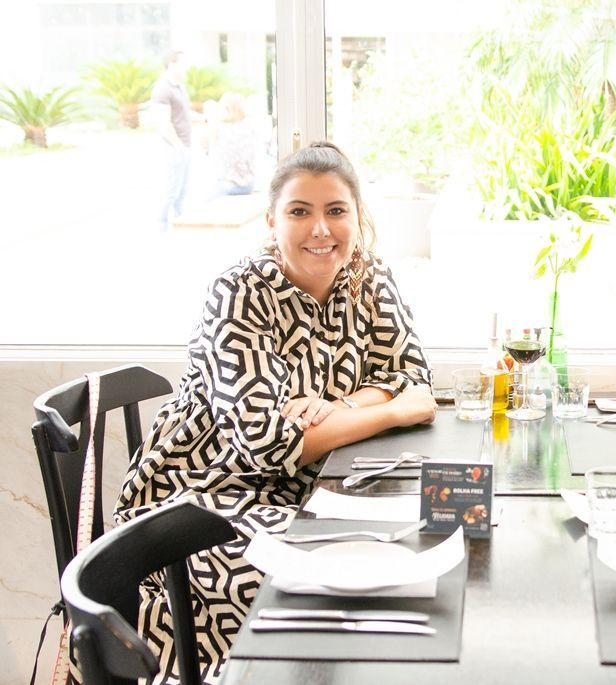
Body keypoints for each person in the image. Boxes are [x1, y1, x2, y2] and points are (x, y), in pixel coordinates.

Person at [114, 141, 437, 683]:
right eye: (299, 211)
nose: (320, 229)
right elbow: (269, 446)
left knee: (402, 548)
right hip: (204, 494)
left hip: (307, 486)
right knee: (333, 577)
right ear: (271, 220)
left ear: (358, 217)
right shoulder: (239, 292)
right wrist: (390, 413)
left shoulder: (369, 277)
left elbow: (413, 378)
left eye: (336, 211)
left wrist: (341, 406)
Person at [152, 50, 192, 231]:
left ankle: (179, 225)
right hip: (173, 147)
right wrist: (178, 146)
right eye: (183, 63)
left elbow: (184, 114)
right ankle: (161, 227)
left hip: (184, 145)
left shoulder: (179, 87)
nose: (186, 67)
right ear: (172, 64)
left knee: (182, 191)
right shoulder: (163, 88)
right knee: (171, 191)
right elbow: (164, 123)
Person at [208, 91, 257, 196]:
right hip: (249, 185)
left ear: (225, 109)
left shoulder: (219, 129)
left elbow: (211, 154)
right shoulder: (249, 128)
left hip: (228, 185)